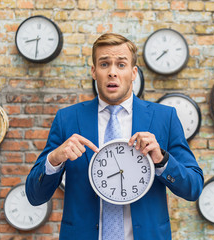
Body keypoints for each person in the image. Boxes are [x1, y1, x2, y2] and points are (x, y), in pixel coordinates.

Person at [25, 33, 204, 240]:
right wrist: (54, 159)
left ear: (133, 72)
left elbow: (194, 188)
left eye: (121, 65)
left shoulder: (164, 118)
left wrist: (162, 160)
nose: (112, 72)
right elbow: (34, 196)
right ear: (94, 71)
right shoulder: (67, 119)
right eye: (104, 64)